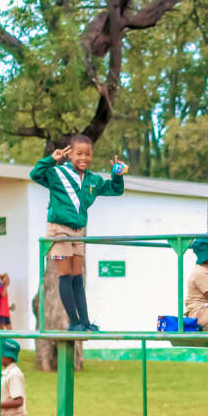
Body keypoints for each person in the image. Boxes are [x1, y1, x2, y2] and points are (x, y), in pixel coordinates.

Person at [30, 134, 125, 331]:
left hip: (79, 231)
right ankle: (73, 322)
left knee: (77, 277)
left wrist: (117, 174)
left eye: (87, 154)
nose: (84, 158)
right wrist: (51, 159)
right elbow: (35, 174)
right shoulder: (57, 173)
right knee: (65, 275)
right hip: (59, 229)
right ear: (70, 154)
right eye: (79, 153)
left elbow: (115, 190)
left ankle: (85, 322)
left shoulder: (92, 180)